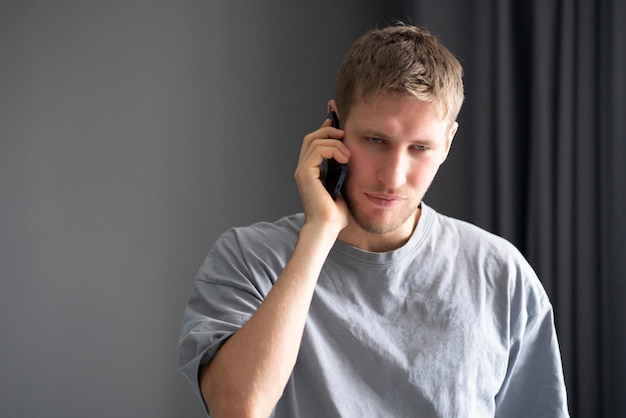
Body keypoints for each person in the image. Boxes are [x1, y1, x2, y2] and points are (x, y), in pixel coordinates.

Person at [178, 23, 569, 418]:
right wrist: (319, 233)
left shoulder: (500, 272)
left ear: (447, 143)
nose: (393, 177)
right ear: (333, 126)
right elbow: (237, 408)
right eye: (375, 140)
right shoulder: (248, 258)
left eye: (420, 148)